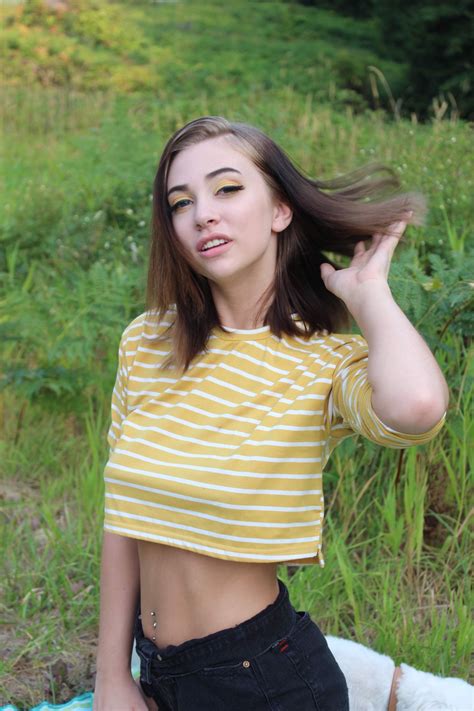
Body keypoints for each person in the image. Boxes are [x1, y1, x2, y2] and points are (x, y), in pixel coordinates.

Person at [93, 116, 448, 711]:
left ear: (281, 209)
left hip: (262, 682)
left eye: (227, 188)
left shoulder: (322, 362)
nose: (203, 214)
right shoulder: (147, 342)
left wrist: (370, 296)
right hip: (156, 670)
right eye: (182, 202)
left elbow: (417, 407)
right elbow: (123, 518)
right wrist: (112, 676)